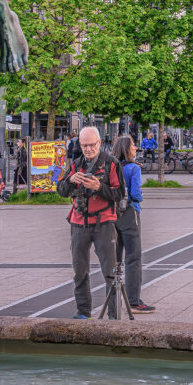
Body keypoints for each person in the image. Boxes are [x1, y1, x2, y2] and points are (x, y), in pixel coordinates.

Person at [56, 126, 122, 319]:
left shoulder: (111, 164)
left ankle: (114, 316)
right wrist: (69, 181)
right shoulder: (76, 164)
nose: (88, 149)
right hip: (79, 222)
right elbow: (61, 190)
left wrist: (99, 187)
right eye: (84, 145)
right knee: (79, 271)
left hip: (104, 222)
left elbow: (119, 194)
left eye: (92, 145)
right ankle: (83, 312)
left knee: (110, 273)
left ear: (100, 143)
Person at [111, 135, 155, 314]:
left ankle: (113, 299)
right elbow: (136, 194)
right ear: (126, 149)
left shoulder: (112, 167)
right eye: (133, 146)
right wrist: (140, 196)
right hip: (130, 213)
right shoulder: (133, 169)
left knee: (115, 257)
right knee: (133, 257)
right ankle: (134, 301)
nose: (136, 148)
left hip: (113, 214)